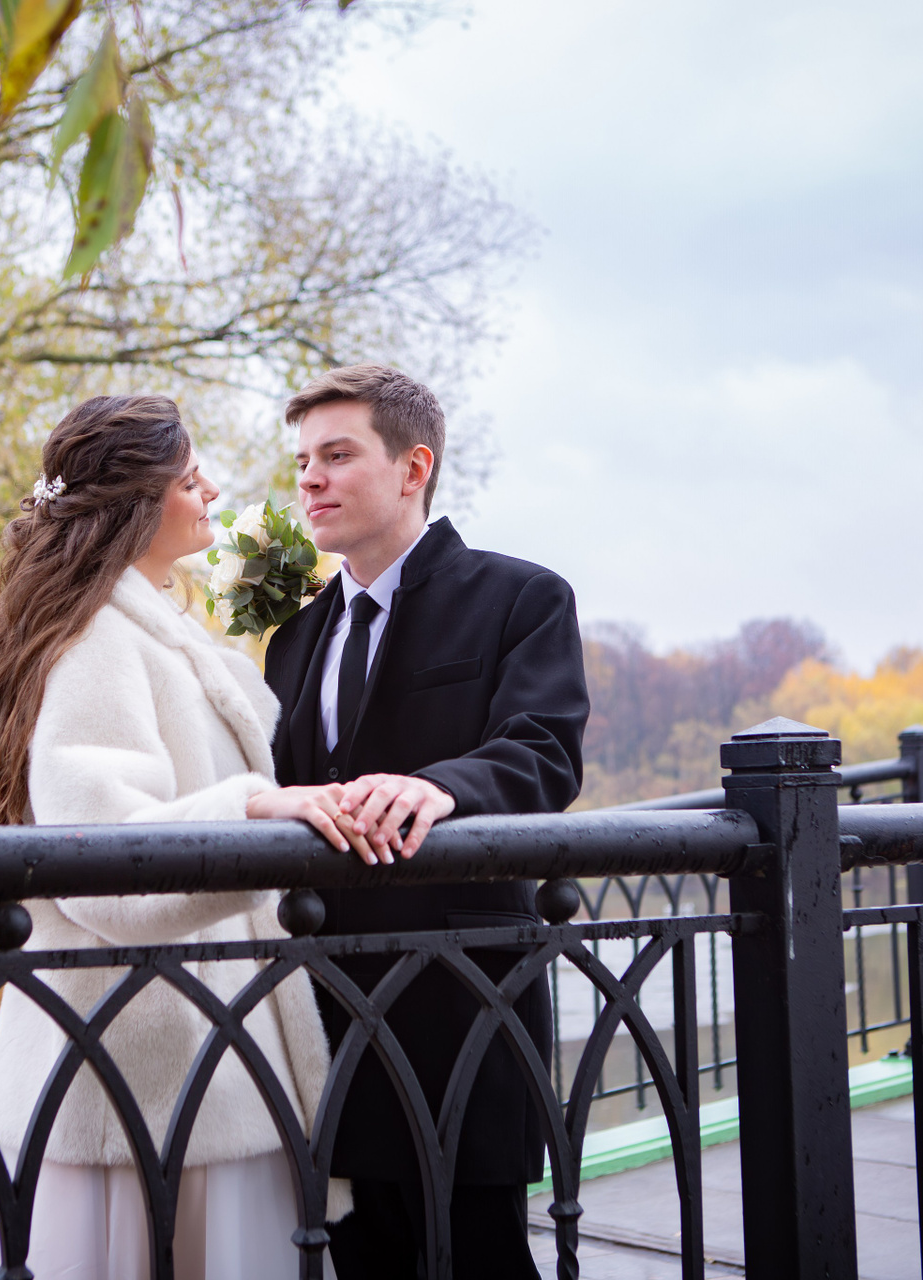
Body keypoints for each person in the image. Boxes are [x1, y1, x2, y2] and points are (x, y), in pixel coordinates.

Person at [0, 394, 353, 1280]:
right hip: (148, 1076)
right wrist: (251, 809)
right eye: (188, 478)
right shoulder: (98, 638)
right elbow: (104, 855)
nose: (211, 491)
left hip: (190, 1055)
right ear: (136, 503)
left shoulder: (139, 625)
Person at [263, 365, 590, 1279]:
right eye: (303, 461)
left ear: (414, 468)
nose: (311, 480)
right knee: (360, 1262)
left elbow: (544, 750)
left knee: (481, 1259)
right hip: (325, 1009)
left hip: (461, 1001)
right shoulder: (295, 638)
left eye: (337, 456)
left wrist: (442, 786)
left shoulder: (521, 597)